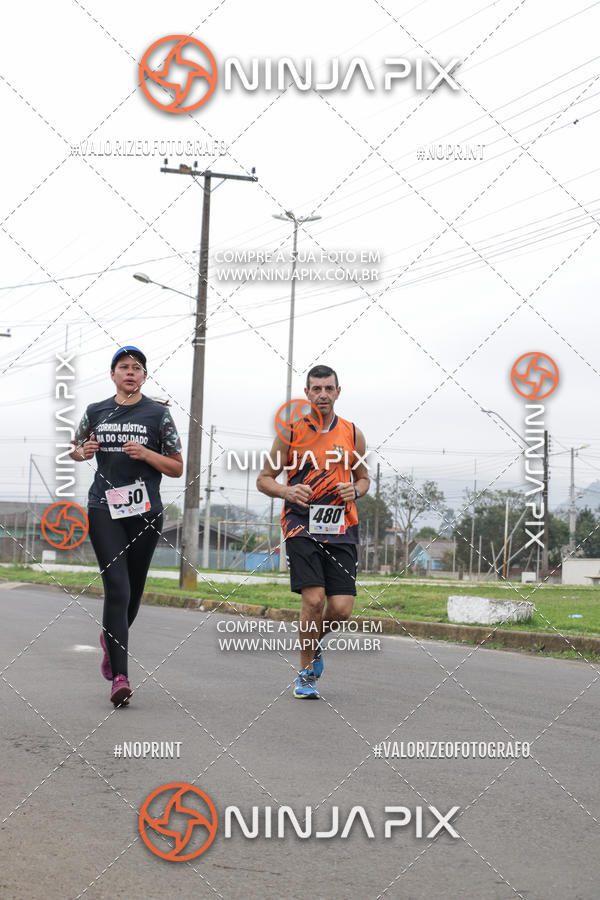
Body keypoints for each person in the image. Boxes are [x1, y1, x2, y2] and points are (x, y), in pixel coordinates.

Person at [70, 346, 183, 706]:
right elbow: (76, 448)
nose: (130, 372)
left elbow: (177, 466)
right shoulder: (96, 411)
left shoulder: (158, 414)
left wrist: (146, 454)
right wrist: (82, 452)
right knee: (116, 590)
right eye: (123, 367)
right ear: (113, 374)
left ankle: (110, 638)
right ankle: (120, 677)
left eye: (137, 367)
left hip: (145, 512)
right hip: (104, 508)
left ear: (145, 376)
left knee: (133, 592)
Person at [257, 365, 369, 699]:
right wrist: (286, 491)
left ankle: (313, 644)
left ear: (338, 391)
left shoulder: (352, 433)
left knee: (341, 609)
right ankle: (305, 674)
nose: (322, 394)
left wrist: (357, 490)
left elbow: (363, 477)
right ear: (307, 393)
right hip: (300, 524)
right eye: (316, 388)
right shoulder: (291, 432)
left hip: (342, 525)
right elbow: (264, 479)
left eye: (328, 388)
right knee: (314, 599)